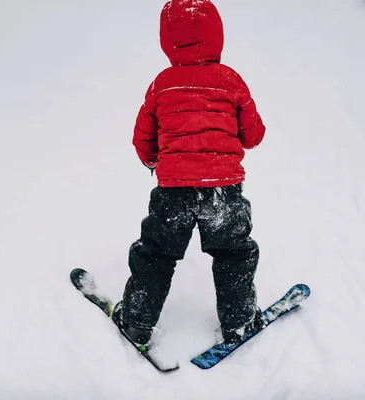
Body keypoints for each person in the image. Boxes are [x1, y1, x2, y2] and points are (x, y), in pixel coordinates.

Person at [112, 0, 266, 347]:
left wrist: (156, 162)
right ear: (217, 36)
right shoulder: (230, 81)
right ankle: (239, 322)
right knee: (234, 252)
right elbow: (253, 135)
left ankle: (136, 321)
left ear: (167, 40)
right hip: (223, 191)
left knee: (155, 252)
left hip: (173, 192)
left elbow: (143, 138)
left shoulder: (162, 84)